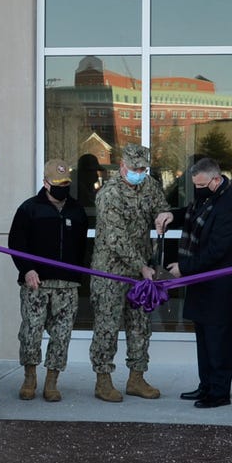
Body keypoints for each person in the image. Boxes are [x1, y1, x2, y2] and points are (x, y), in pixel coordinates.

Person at [155, 158, 232, 408]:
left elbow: (218, 250)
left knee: (219, 342)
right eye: (195, 185)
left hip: (220, 286)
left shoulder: (231, 205)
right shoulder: (208, 198)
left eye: (202, 184)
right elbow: (190, 213)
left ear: (216, 179)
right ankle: (205, 385)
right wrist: (169, 215)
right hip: (202, 284)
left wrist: (184, 268)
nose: (198, 189)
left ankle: (219, 392)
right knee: (204, 340)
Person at [89, 143, 169, 402]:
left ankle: (137, 378)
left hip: (139, 274)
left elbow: (161, 205)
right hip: (110, 272)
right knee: (107, 327)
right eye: (134, 168)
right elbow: (116, 238)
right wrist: (142, 267)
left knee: (140, 327)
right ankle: (103, 380)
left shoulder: (149, 185)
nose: (139, 172)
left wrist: (164, 215)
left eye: (143, 168)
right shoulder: (109, 194)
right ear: (122, 166)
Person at [8, 159, 88, 402]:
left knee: (62, 335)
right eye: (57, 183)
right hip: (37, 284)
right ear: (45, 183)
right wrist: (27, 269)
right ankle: (30, 378)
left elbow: (83, 245)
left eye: (66, 183)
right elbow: (16, 244)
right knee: (31, 332)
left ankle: (52, 382)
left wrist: (77, 274)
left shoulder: (77, 210)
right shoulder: (29, 209)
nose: (62, 187)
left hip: (67, 285)